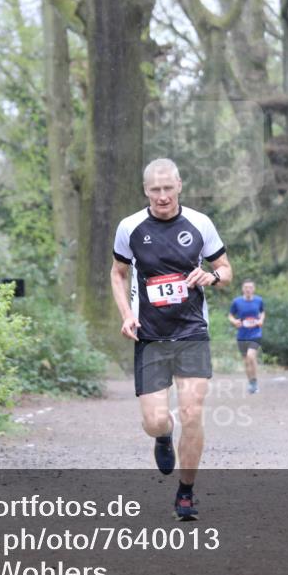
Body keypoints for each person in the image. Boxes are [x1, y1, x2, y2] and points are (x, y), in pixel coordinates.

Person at [110, 158, 232, 521]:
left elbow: (225, 269)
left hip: (192, 331)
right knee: (154, 420)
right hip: (150, 336)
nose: (162, 196)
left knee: (192, 411)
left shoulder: (200, 224)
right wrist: (126, 314)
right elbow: (118, 274)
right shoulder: (129, 227)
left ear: (179, 185)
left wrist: (212, 277)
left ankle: (186, 492)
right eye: (154, 190)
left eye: (168, 188)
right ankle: (164, 437)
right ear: (145, 191)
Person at [229, 279, 265, 394]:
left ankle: (254, 381)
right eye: (246, 287)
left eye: (250, 287)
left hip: (255, 333)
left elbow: (262, 312)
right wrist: (234, 321)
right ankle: (251, 383)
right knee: (246, 361)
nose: (248, 289)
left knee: (251, 356)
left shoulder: (259, 300)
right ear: (242, 289)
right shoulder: (237, 302)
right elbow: (230, 315)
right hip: (242, 334)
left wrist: (261, 320)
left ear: (253, 289)